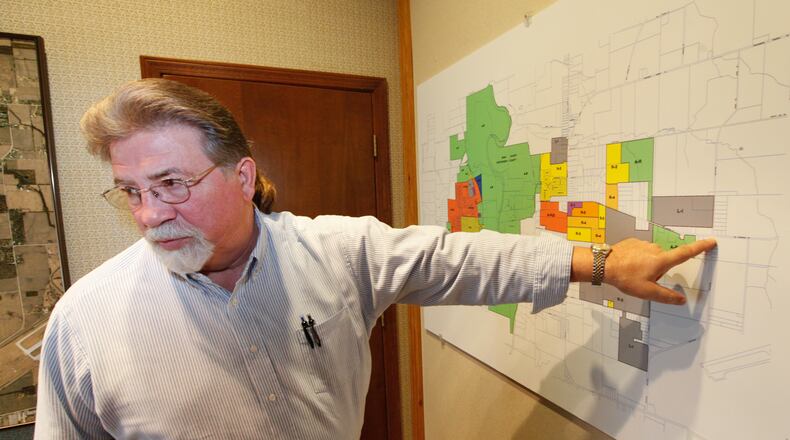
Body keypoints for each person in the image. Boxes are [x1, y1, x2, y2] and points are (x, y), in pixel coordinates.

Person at [34, 79, 716, 439]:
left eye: (172, 185)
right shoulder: (84, 323)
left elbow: (461, 260)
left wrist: (601, 265)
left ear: (241, 178)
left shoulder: (338, 252)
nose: (151, 216)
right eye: (131, 193)